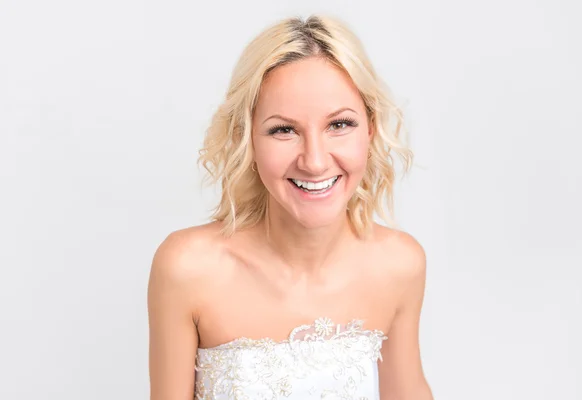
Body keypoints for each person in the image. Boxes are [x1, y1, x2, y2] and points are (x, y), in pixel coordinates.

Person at [147, 14, 434, 400]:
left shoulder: (399, 265)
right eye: (283, 130)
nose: (314, 161)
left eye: (340, 124)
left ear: (371, 127)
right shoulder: (188, 268)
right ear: (246, 138)